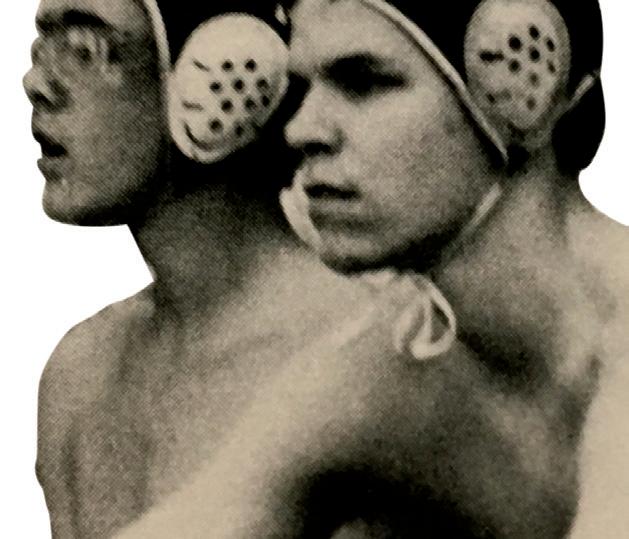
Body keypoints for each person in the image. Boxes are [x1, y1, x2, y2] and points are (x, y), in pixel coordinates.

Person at [115, 0, 623, 537]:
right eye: (302, 89)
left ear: (522, 92)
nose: (301, 130)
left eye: (364, 82)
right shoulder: (395, 368)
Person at [22, 0, 379, 537]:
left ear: (229, 70)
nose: (38, 83)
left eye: (89, 49)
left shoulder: (364, 361)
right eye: (43, 45)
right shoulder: (81, 378)